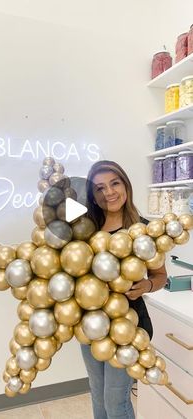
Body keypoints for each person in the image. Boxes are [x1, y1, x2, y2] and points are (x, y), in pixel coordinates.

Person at [81, 160, 167, 419]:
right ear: (93, 197)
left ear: (125, 186)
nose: (109, 192)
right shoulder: (86, 229)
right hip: (91, 323)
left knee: (115, 401)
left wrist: (147, 285)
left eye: (114, 183)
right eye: (100, 188)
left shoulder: (144, 229)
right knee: (97, 392)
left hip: (127, 325)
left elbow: (160, 276)